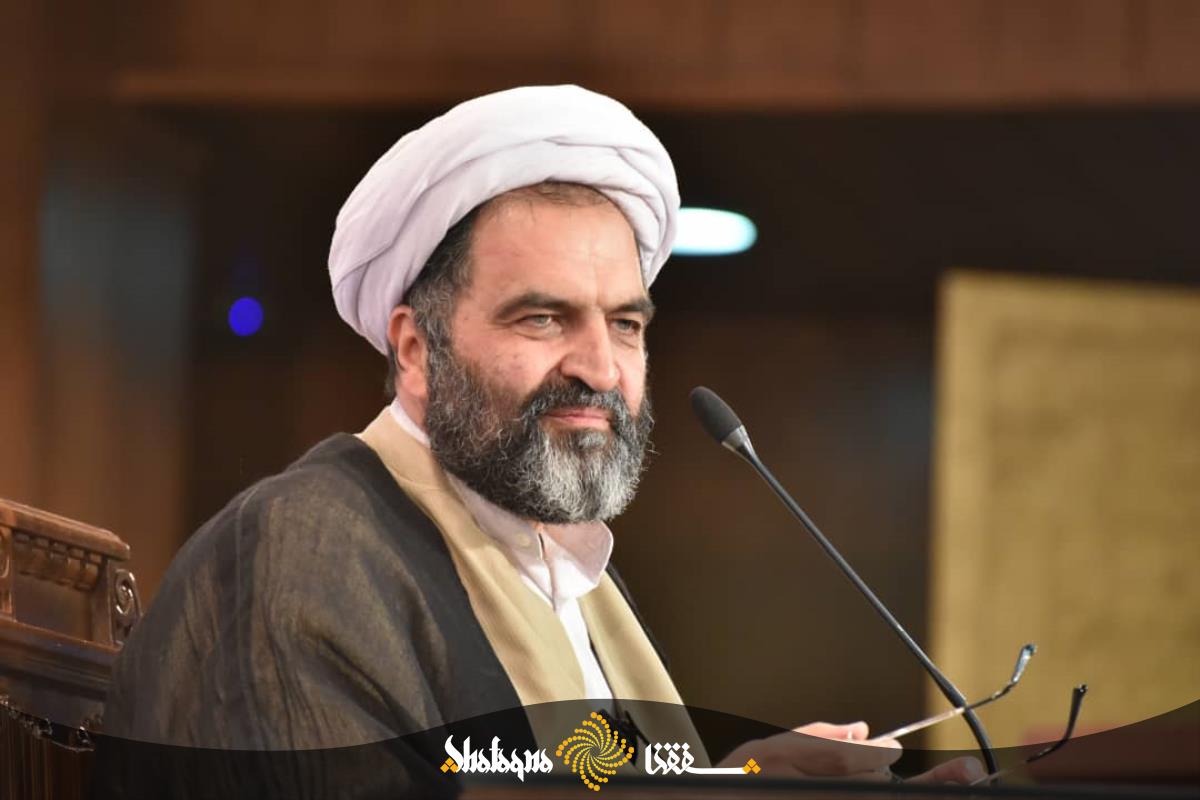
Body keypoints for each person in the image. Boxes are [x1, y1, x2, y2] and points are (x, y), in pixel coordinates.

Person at [102, 85, 980, 790]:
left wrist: (740, 779)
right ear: (416, 351)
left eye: (626, 325)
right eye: (542, 318)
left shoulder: (569, 580)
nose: (599, 368)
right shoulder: (305, 556)